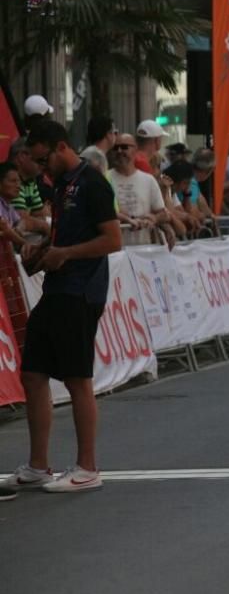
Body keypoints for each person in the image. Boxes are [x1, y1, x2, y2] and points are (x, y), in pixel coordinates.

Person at [3, 120, 122, 493]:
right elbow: (62, 237)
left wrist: (65, 254)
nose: (40, 169)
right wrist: (38, 253)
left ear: (59, 147)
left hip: (82, 291)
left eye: (43, 160)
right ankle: (39, 464)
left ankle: (87, 467)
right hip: (57, 289)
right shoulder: (62, 187)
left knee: (76, 379)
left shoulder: (93, 183)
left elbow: (113, 240)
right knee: (33, 373)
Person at [107, 133, 168, 244]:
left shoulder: (148, 180)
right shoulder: (104, 178)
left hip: (142, 250)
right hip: (115, 252)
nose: (119, 151)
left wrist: (154, 219)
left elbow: (163, 213)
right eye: (115, 148)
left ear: (135, 150)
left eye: (124, 147)